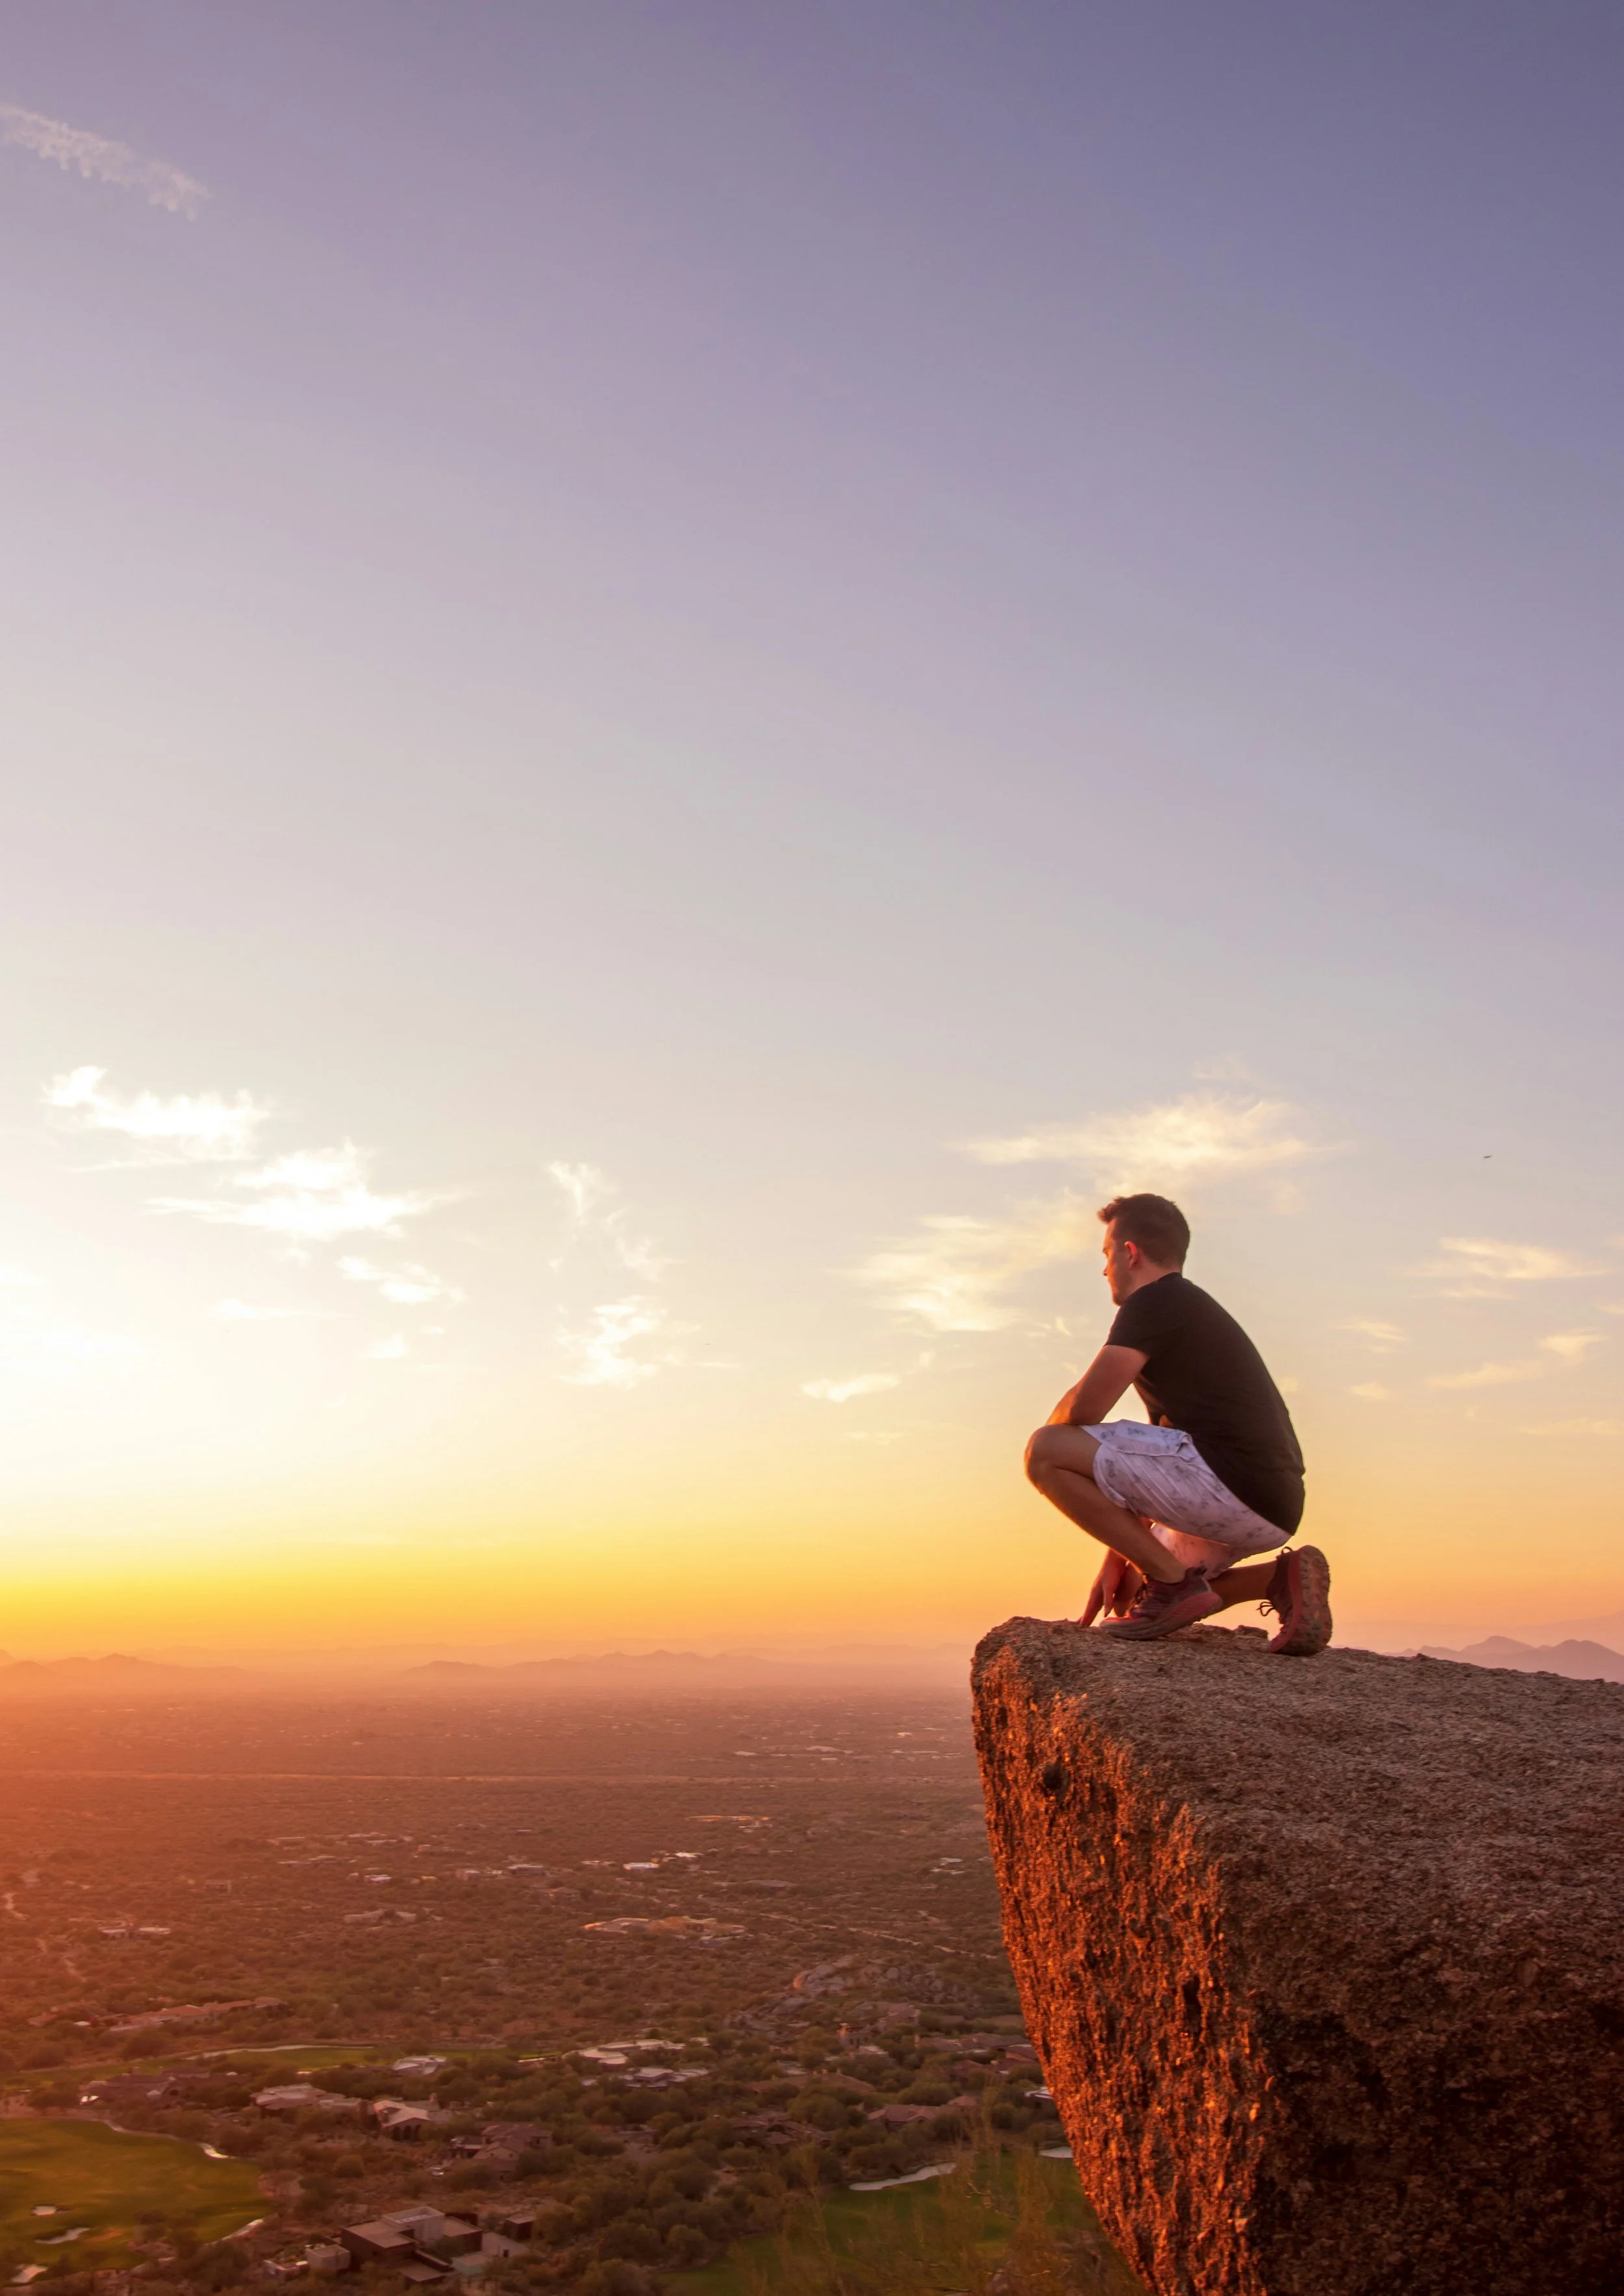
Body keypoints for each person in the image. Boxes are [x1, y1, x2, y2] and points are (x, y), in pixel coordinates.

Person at [1023, 1192, 1331, 1652]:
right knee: (1136, 1598)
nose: (1105, 1268)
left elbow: (1085, 1408)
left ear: (1130, 1253)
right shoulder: (1187, 1312)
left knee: (1044, 1451)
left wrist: (1053, 1434)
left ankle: (1173, 1583)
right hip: (1270, 1504)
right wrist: (1122, 1555)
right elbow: (1152, 1465)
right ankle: (1278, 1578)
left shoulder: (1156, 1302)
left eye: (1107, 1254)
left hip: (1228, 1483)